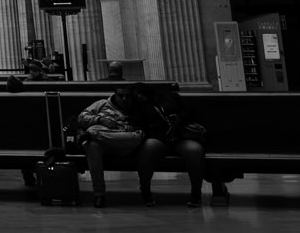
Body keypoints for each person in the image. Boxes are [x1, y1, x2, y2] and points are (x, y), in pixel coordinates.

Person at [73, 82, 204, 207]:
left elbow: (138, 129)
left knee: (192, 150)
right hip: (152, 138)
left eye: (130, 96)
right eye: (121, 95)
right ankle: (106, 193)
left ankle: (196, 193)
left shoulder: (161, 100)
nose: (126, 99)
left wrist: (177, 122)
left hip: (170, 137)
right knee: (93, 144)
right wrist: (100, 120)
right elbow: (81, 117)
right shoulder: (112, 105)